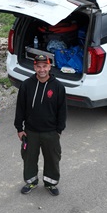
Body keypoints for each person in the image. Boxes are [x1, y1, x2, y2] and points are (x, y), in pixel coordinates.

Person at [14, 54, 67, 196]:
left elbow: (62, 111)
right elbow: (20, 108)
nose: (42, 69)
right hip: (30, 132)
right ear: (34, 67)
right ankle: (31, 181)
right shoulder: (26, 85)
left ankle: (51, 183)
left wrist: (59, 130)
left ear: (49, 67)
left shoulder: (58, 87)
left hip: (51, 132)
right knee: (29, 158)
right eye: (38, 66)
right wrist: (19, 128)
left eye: (45, 66)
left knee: (52, 159)